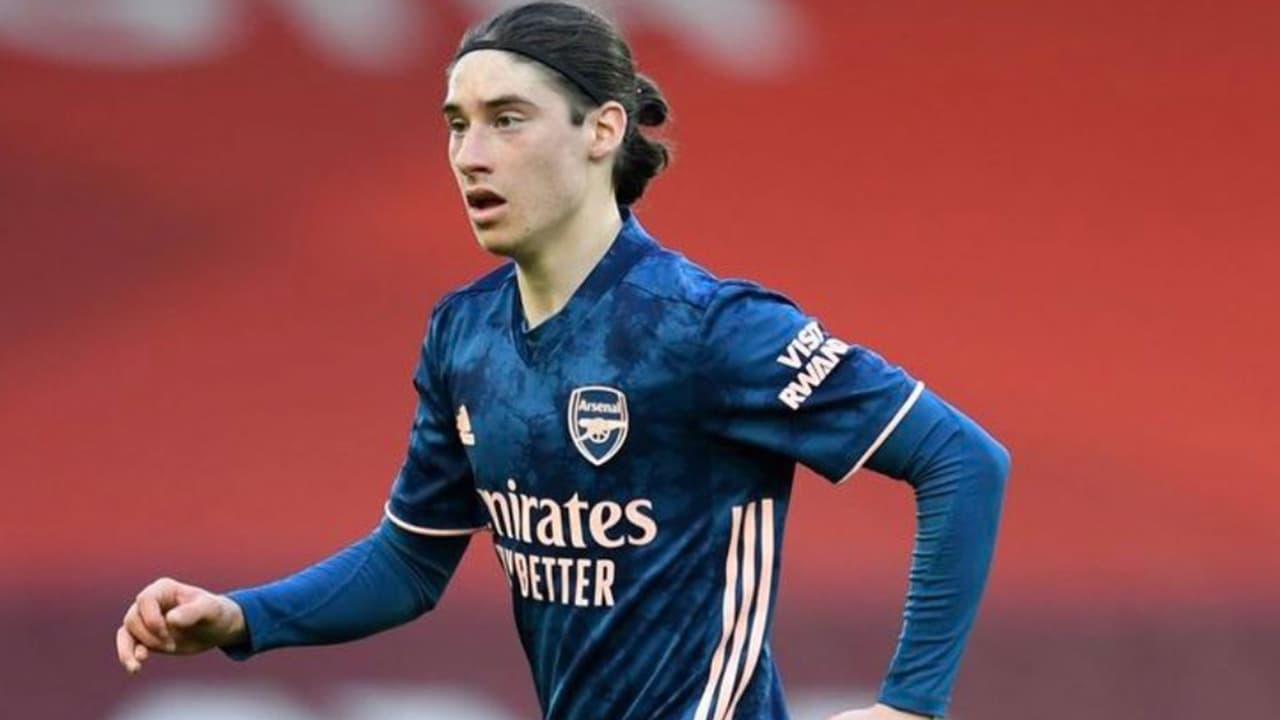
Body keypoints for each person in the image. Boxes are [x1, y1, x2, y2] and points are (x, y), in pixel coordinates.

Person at [114, 3, 1009, 719]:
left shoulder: (707, 327)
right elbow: (410, 562)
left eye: (508, 121)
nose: (470, 156)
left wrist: (910, 703)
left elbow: (961, 459)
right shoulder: (464, 333)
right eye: (456, 125)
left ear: (602, 129)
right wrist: (242, 617)